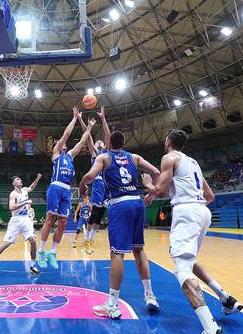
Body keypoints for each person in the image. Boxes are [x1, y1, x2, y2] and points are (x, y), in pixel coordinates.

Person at [141, 129, 242, 334]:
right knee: (189, 261)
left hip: (186, 211)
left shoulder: (169, 157)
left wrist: (149, 186)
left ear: (168, 142)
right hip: (202, 211)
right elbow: (210, 196)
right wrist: (191, 205)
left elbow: (161, 189)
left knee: (182, 270)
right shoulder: (192, 162)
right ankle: (225, 298)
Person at [79, 131, 161, 318]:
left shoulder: (104, 157)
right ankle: (150, 296)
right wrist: (151, 193)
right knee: (138, 250)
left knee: (117, 254)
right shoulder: (134, 157)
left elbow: (89, 176)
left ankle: (112, 305)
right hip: (137, 202)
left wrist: (83, 185)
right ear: (123, 143)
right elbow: (156, 172)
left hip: (119, 204)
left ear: (108, 142)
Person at [37, 108, 96, 269]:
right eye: (61, 144)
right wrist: (75, 118)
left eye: (64, 145)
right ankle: (41, 251)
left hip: (66, 190)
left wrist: (89, 127)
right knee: (50, 219)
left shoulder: (70, 157)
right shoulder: (56, 154)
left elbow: (83, 141)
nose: (64, 145)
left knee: (62, 222)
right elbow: (66, 135)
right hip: (55, 187)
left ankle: (52, 252)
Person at [0, 173, 42, 278]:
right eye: (18, 179)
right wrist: (25, 202)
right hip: (16, 220)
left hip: (26, 219)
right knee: (6, 243)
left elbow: (32, 187)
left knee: (33, 240)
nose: (20, 180)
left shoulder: (25, 190)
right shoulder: (13, 194)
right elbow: (11, 207)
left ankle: (32, 265)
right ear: (14, 183)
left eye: (20, 179)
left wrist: (37, 178)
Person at [79, 106, 111, 254]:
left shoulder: (107, 152)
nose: (99, 143)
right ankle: (87, 238)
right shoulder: (94, 155)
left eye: (101, 142)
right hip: (98, 183)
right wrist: (83, 122)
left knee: (101, 214)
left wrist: (103, 118)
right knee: (96, 211)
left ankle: (90, 238)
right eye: (98, 143)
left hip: (109, 184)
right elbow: (89, 139)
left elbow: (107, 134)